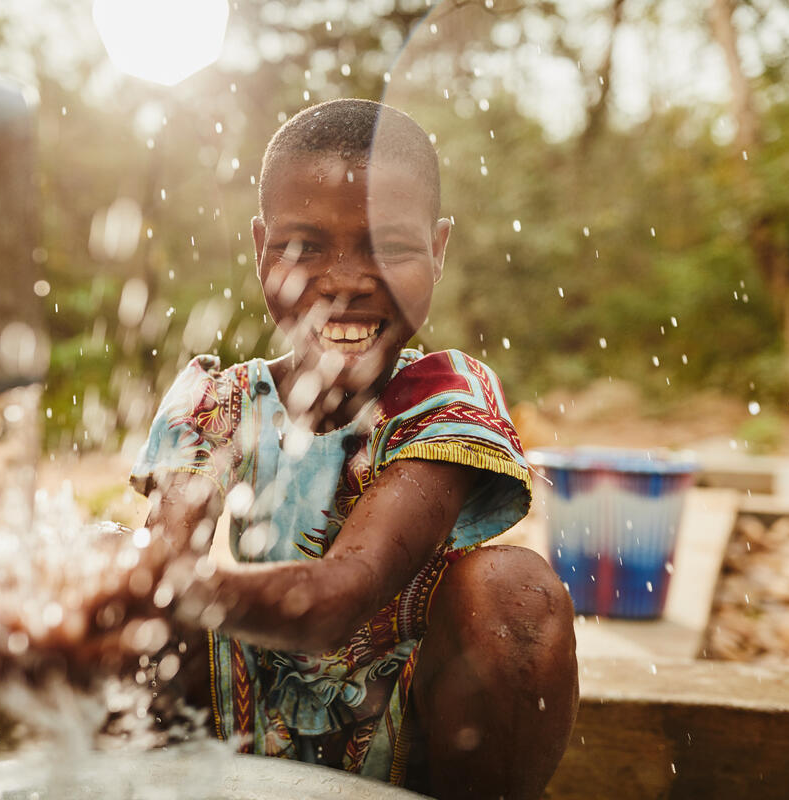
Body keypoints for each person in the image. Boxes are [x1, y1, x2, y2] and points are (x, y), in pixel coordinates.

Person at [116, 98, 579, 799]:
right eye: (305, 247)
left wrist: (153, 593)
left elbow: (342, 595)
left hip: (410, 730)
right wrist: (115, 590)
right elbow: (164, 563)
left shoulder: (445, 400)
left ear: (439, 249)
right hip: (235, 725)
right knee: (110, 565)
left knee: (516, 590)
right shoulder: (219, 401)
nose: (345, 281)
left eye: (390, 247)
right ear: (260, 248)